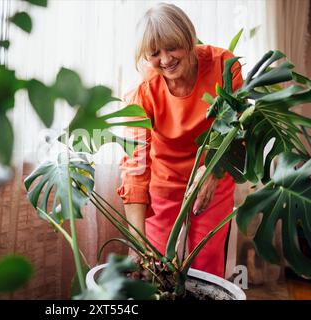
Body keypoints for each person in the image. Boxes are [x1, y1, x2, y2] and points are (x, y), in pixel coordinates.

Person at [117, 3, 243, 278]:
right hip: (166, 182)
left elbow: (238, 130)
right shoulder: (143, 92)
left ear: (188, 38)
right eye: (154, 53)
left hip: (213, 173)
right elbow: (135, 166)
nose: (165, 59)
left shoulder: (224, 66)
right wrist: (136, 243)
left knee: (206, 262)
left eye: (172, 47)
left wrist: (212, 172)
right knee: (156, 264)